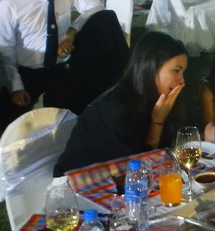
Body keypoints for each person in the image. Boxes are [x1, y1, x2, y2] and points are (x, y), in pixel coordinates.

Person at [54, 32, 186, 174]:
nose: (182, 80)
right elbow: (137, 169)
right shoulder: (116, 108)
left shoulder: (156, 100)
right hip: (82, 178)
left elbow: (162, 154)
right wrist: (157, 122)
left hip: (122, 176)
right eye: (176, 71)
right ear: (151, 68)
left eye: (183, 72)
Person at [0, 0, 102, 116]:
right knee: (12, 122)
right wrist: (16, 88)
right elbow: (6, 52)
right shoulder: (11, 5)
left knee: (74, 115)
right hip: (27, 73)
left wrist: (71, 32)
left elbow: (96, 7)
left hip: (59, 69)